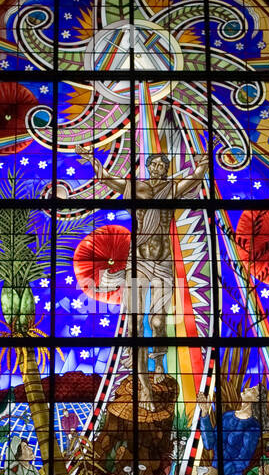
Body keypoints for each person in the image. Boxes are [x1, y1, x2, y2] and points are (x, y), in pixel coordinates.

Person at [80, 146, 208, 410]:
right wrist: (93, 160)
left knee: (159, 319)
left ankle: (158, 359)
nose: (160, 169)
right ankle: (144, 387)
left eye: (164, 165)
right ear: (149, 167)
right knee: (135, 327)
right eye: (157, 165)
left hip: (162, 262)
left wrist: (203, 164)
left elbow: (195, 178)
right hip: (138, 262)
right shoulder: (136, 189)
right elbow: (106, 179)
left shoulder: (170, 188)